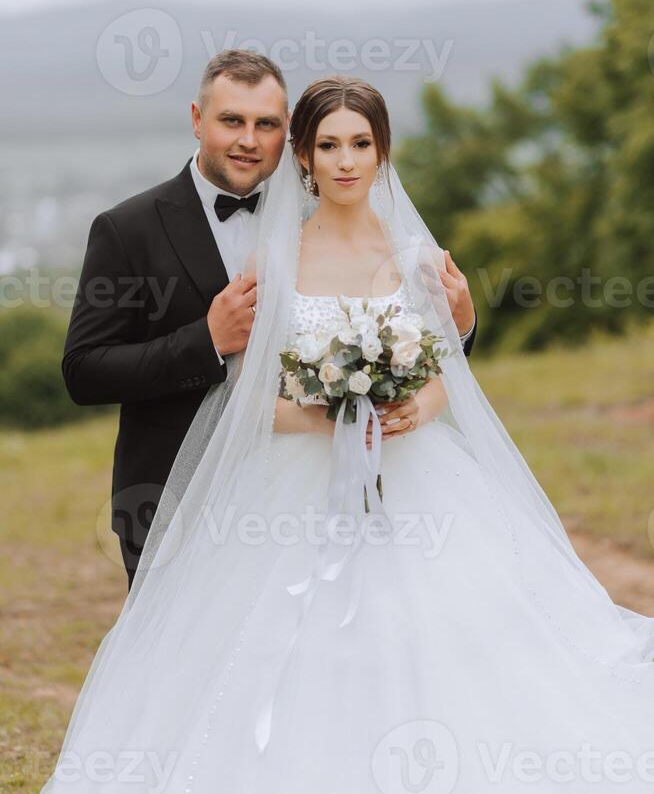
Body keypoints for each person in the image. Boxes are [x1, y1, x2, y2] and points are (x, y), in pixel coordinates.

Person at [44, 77, 653, 794]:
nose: (345, 161)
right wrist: (318, 417)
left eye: (360, 143)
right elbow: (243, 394)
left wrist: (418, 407)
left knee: (434, 630)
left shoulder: (419, 260)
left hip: (416, 478)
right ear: (302, 156)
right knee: (286, 642)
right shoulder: (272, 264)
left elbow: (444, 364)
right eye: (328, 145)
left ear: (382, 151)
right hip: (289, 482)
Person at [62, 53, 478, 589]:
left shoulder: (328, 209)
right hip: (174, 495)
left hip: (341, 482)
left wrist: (462, 325)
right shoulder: (128, 229)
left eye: (267, 125)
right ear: (197, 119)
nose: (249, 140)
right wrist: (206, 341)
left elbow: (415, 341)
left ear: (290, 137)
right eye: (231, 120)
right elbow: (84, 370)